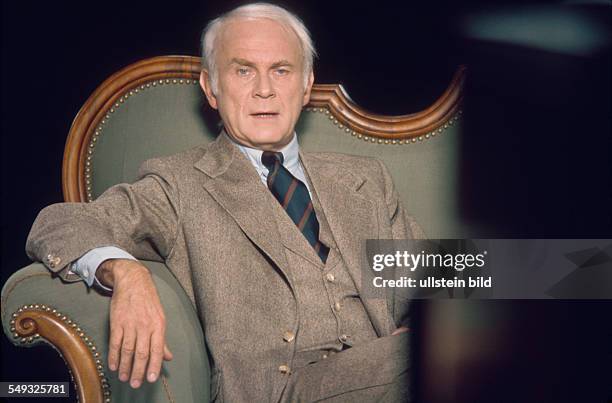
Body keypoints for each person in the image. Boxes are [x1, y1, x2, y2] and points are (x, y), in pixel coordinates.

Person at [26, 3, 423, 402]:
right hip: (277, 390)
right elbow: (56, 224)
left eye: (281, 70)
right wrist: (125, 271)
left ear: (306, 86)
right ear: (211, 88)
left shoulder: (363, 180)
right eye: (243, 70)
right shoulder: (180, 184)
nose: (264, 88)